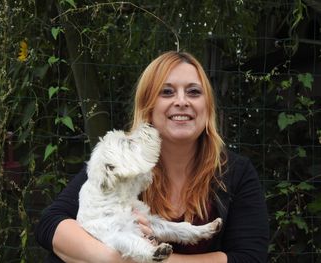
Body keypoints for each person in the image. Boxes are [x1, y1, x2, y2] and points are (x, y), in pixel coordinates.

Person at [35, 51, 269, 263]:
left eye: (193, 92)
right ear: (148, 107)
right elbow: (51, 224)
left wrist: (154, 261)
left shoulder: (234, 172)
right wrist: (116, 258)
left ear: (207, 108)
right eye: (167, 92)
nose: (181, 101)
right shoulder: (121, 160)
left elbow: (249, 257)